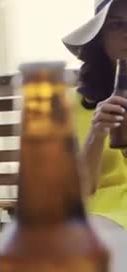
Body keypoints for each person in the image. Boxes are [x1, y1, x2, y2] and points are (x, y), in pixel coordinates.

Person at [62, 0, 127, 233]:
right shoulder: (72, 105)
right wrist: (97, 134)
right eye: (116, 25)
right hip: (97, 222)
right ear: (100, 37)